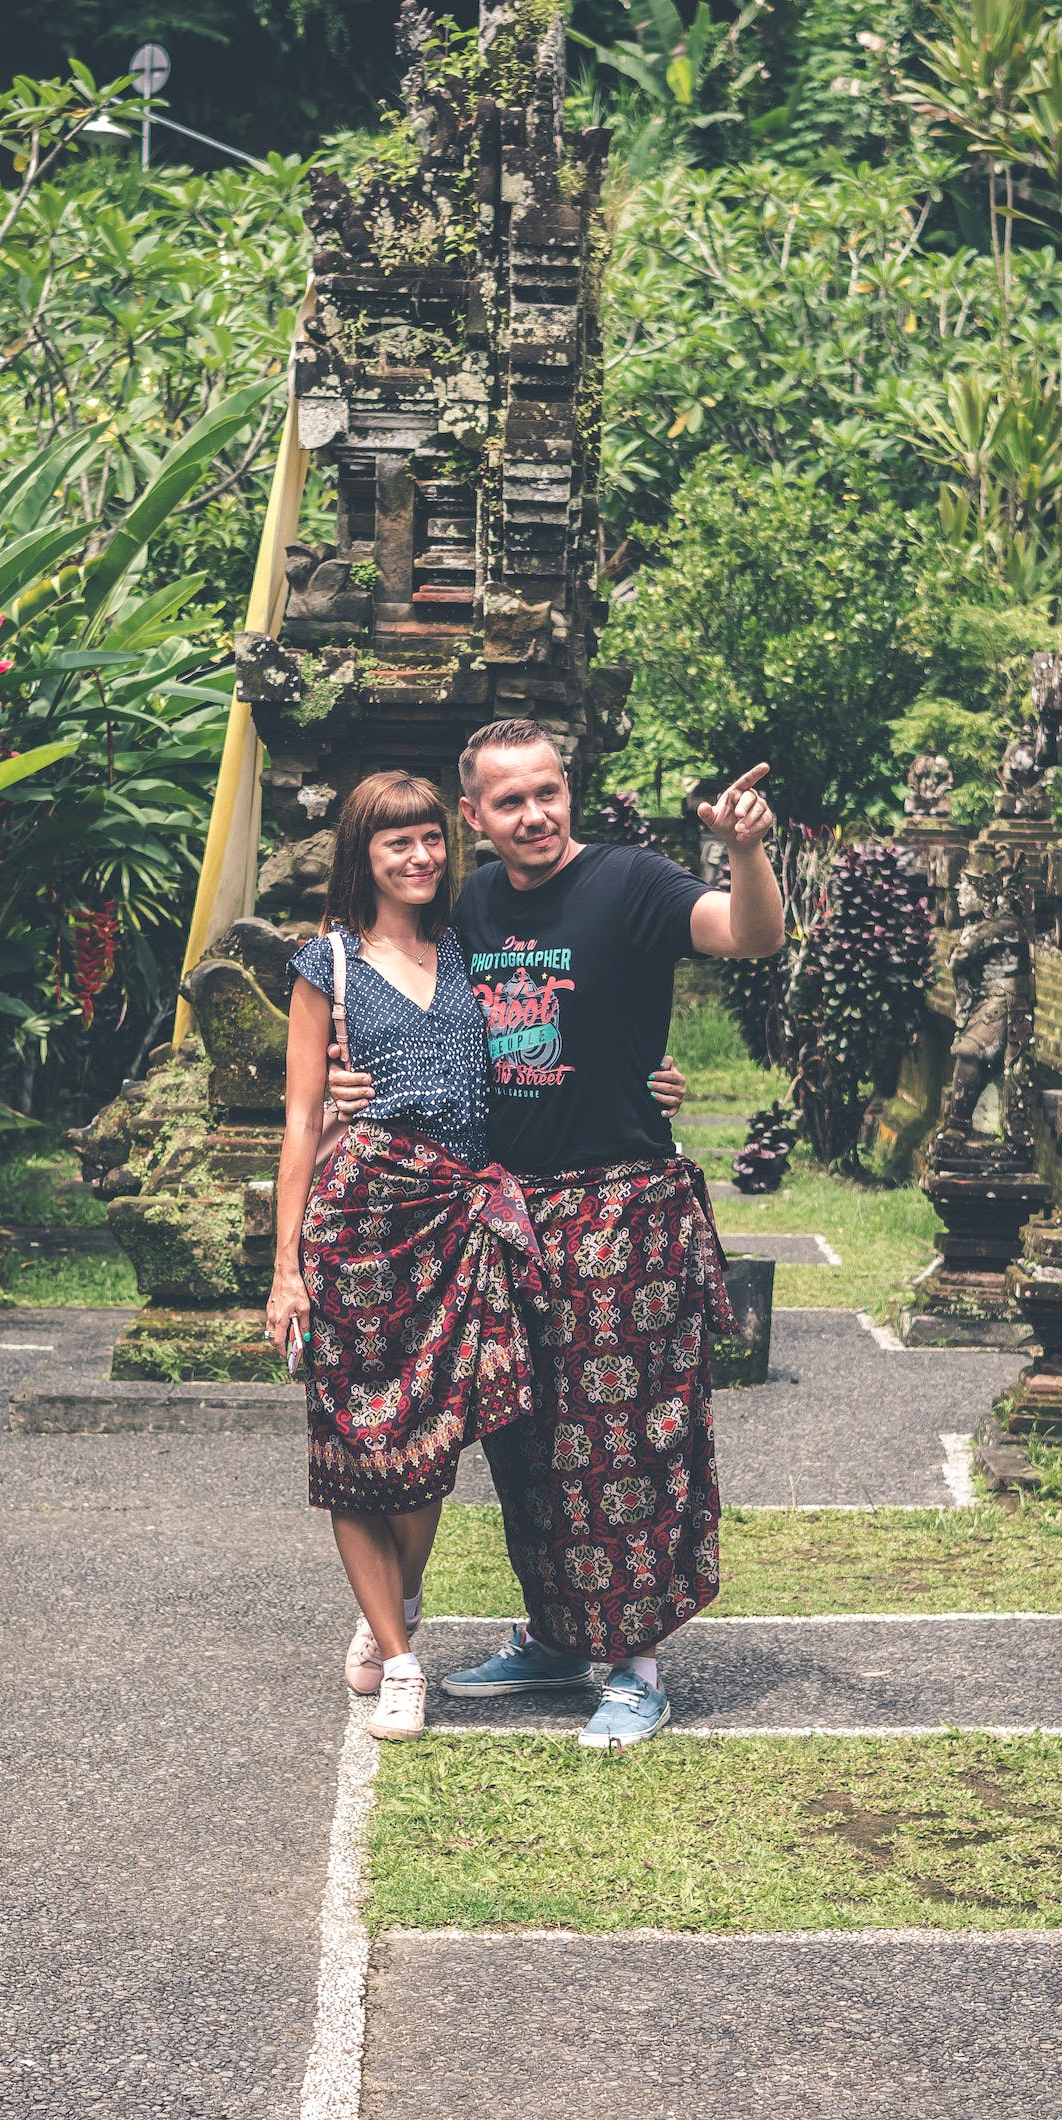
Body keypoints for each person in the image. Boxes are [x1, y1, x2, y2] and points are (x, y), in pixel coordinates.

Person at [339, 721, 784, 1750]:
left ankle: (635, 1665)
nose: (534, 816)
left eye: (548, 793)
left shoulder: (633, 882)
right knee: (522, 1438)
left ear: (568, 792)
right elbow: (385, 972)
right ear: (473, 817)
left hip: (620, 1204)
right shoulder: (471, 903)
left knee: (624, 1443)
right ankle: (554, 1635)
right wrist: (343, 1073)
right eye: (509, 802)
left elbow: (748, 935)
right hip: (498, 1210)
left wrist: (749, 851)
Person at [263, 771, 691, 1745]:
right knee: (354, 1450)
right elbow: (297, 1122)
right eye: (395, 845)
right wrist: (286, 1266)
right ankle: (403, 1659)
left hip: (457, 1227)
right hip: (360, 1223)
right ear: (361, 857)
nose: (419, 859)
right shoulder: (324, 963)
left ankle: (396, 1612)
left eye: (428, 841)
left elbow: (554, 1043)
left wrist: (646, 1080)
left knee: (431, 1451)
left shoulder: (467, 951)